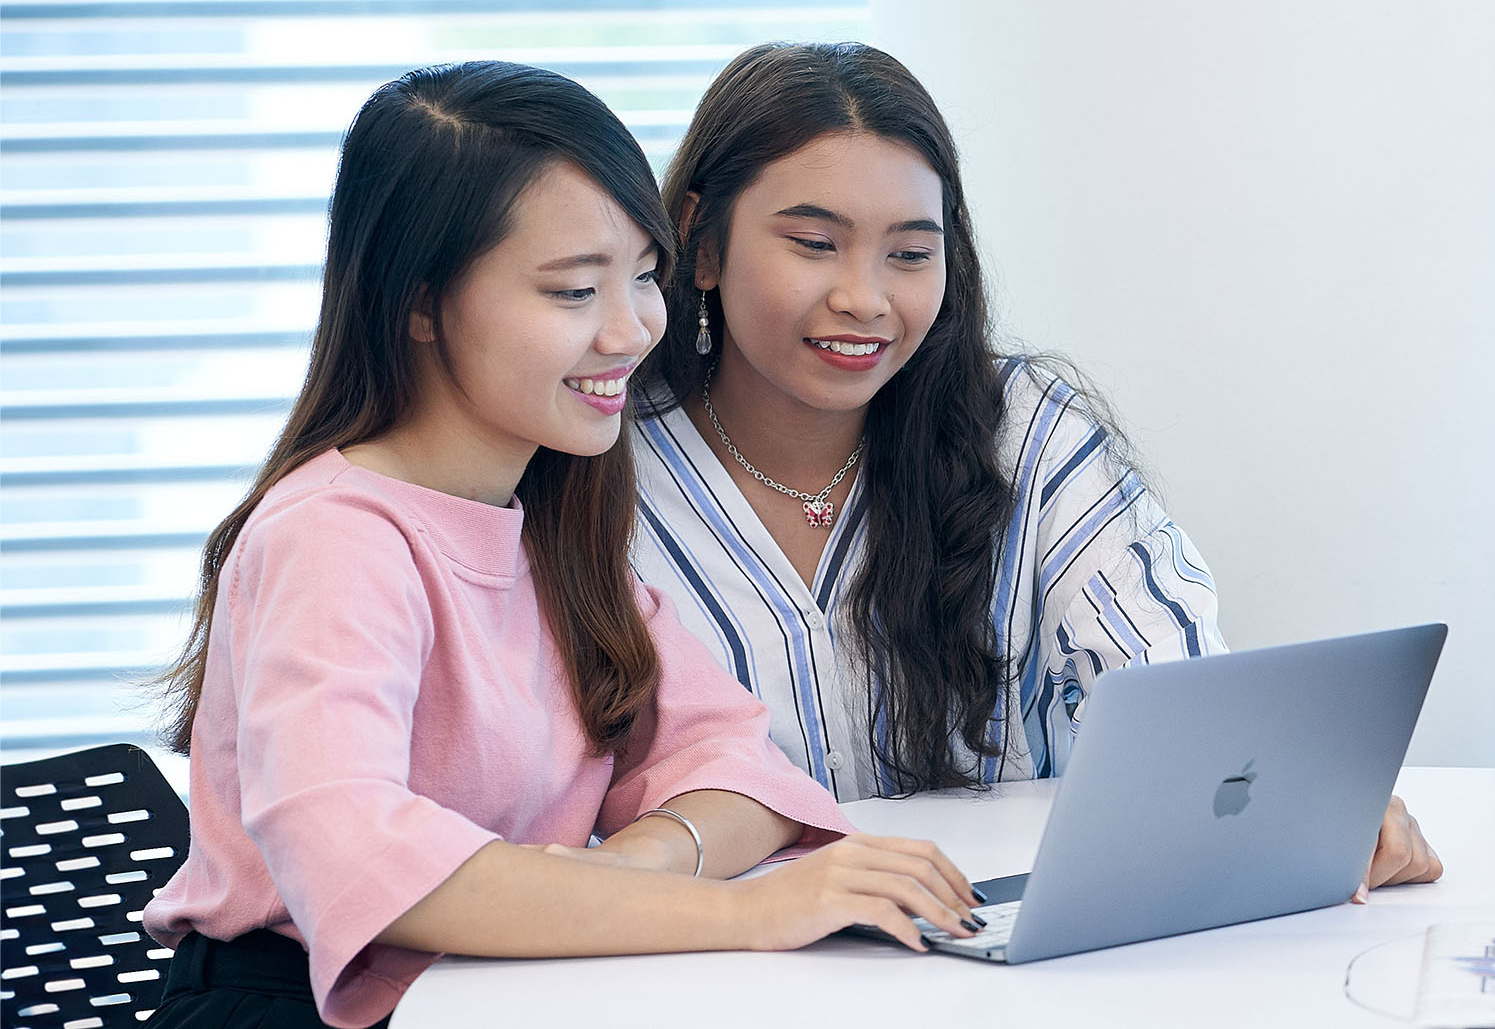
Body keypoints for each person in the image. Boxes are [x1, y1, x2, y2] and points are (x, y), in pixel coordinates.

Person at [143, 61, 987, 1029]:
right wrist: (742, 907)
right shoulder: (335, 535)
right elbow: (360, 854)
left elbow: (738, 764)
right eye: (575, 290)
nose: (631, 331)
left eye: (642, 277)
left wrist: (643, 860)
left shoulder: (549, 520)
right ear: (419, 302)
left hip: (501, 993)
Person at [629, 41, 1441, 897]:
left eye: (910, 254)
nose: (865, 299)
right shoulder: (602, 470)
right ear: (700, 241)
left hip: (1014, 959)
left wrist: (1306, 801)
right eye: (815, 243)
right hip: (719, 970)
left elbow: (1172, 695)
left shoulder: (1026, 436)